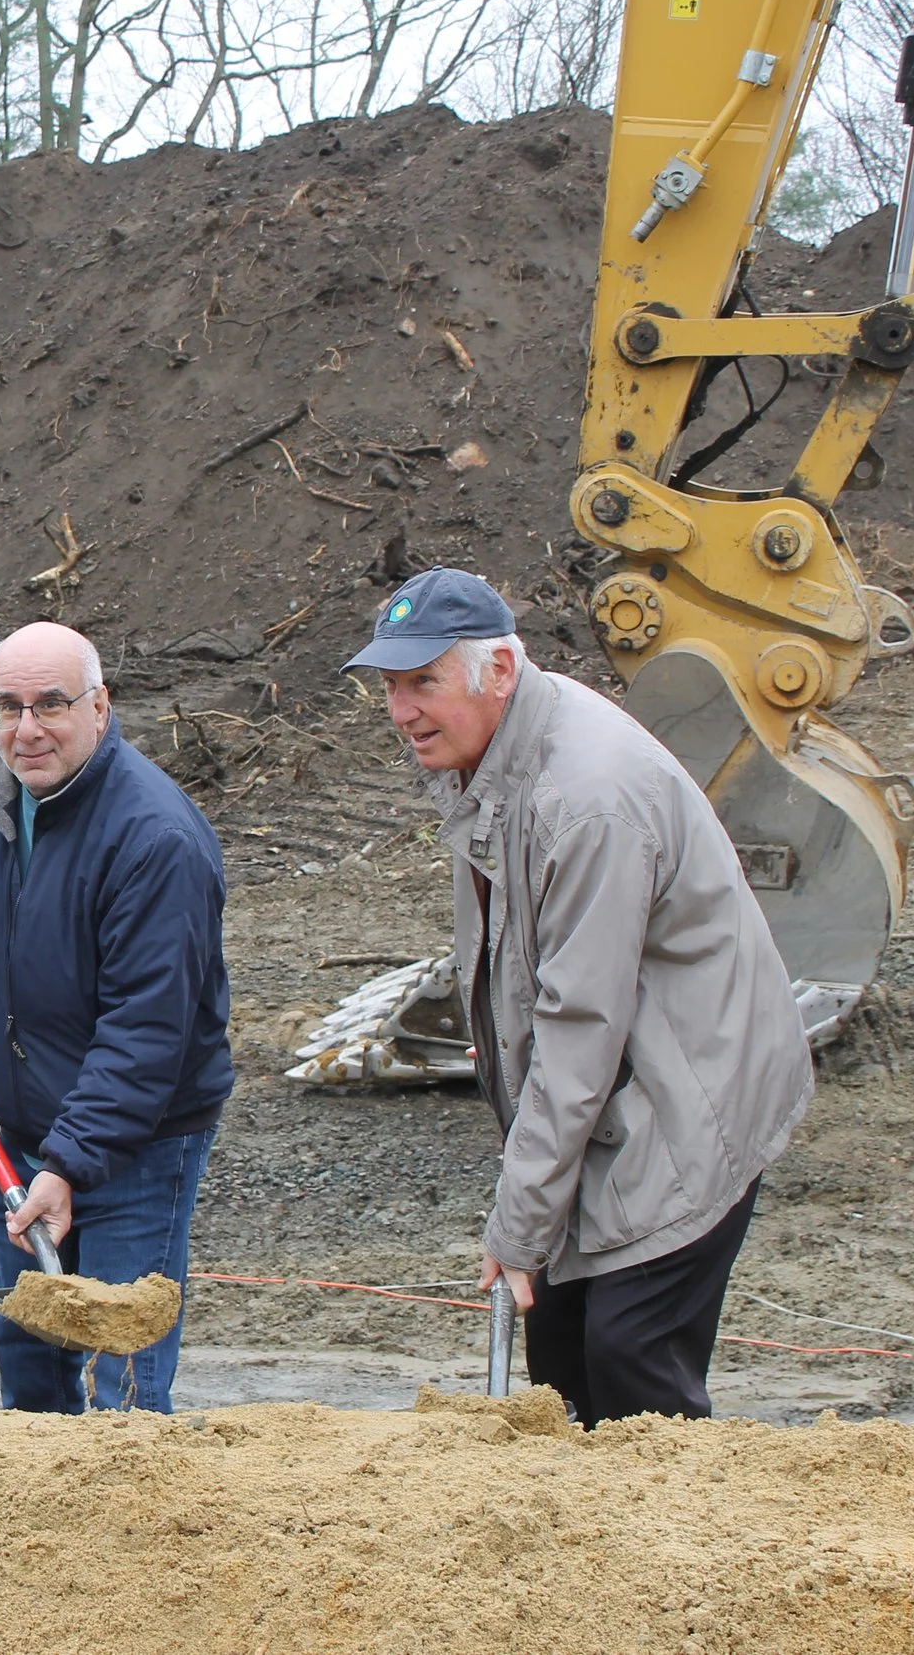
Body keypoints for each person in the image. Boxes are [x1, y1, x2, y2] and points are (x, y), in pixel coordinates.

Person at [343, 567, 810, 1426]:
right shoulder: (489, 760)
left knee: (631, 1360)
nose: (402, 710)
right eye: (391, 686)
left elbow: (577, 1027)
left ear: (501, 673)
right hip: (622, 1092)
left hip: (693, 1095)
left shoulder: (585, 801)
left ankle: (682, 1548)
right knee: (559, 1352)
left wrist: (518, 1223)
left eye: (424, 683)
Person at [0, 622, 232, 1415]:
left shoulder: (154, 838)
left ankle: (133, 1530)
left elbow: (144, 1032)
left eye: (51, 704)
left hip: (138, 1140)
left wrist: (70, 1165)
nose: (27, 728)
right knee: (29, 1353)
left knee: (121, 1367)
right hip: (19, 1124)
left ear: (100, 706)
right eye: (7, 707)